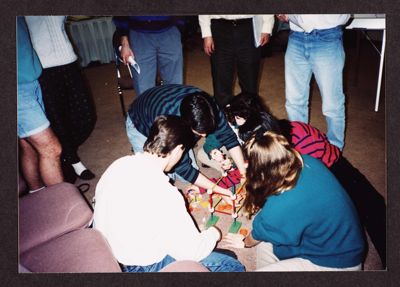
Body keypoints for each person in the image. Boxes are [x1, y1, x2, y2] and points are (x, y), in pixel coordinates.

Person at [225, 93, 386, 267]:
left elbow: (274, 213)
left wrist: (246, 241)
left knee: (371, 207)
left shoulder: (299, 146)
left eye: (238, 124)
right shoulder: (286, 154)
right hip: (310, 172)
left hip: (334, 167)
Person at [93, 115, 245, 272]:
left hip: (105, 251)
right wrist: (214, 233)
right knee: (232, 265)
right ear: (179, 149)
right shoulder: (166, 194)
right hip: (139, 264)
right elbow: (192, 252)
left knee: (221, 254)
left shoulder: (119, 164)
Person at [221, 131, 365, 271]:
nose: (245, 166)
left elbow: (258, 233)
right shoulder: (306, 160)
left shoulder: (281, 205)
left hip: (338, 262)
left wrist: (245, 242)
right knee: (265, 232)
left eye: (248, 163)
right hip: (331, 241)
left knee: (262, 235)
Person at [126, 84, 247, 200]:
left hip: (166, 103)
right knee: (158, 177)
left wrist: (243, 173)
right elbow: (184, 169)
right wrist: (221, 191)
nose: (204, 136)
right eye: (200, 132)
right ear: (186, 124)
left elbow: (229, 138)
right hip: (139, 121)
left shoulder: (211, 107)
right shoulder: (172, 123)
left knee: (185, 177)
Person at [25, 16, 97, 181]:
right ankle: (73, 159)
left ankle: (67, 151)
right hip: (43, 67)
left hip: (69, 61)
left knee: (86, 115)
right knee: (57, 117)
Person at [276, 14, 350, 150]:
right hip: (296, 36)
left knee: (332, 104)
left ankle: (335, 150)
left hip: (327, 36)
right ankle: (300, 145)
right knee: (294, 101)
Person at [17, 16, 64, 192]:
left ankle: (38, 196)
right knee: (51, 149)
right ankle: (63, 208)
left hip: (30, 78)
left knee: (29, 146)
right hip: (16, 87)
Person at [198, 14, 275, 108]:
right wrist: (206, 33)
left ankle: (251, 117)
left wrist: (267, 26)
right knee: (221, 80)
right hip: (219, 26)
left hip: (249, 25)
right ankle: (224, 117)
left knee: (250, 81)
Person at [113, 16, 184, 96]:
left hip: (170, 30)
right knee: (144, 87)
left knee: (175, 86)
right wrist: (124, 42)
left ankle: (173, 107)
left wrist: (179, 26)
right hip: (139, 33)